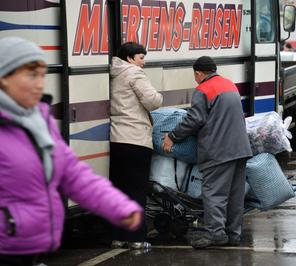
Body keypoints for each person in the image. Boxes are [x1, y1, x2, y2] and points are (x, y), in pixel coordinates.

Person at [0, 37, 144, 265]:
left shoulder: (39, 122)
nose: (40, 84)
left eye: (42, 75)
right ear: (4, 77)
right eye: (30, 74)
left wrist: (119, 207)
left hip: (28, 251)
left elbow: (75, 176)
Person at [162, 56, 252, 249]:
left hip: (219, 150)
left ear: (198, 73)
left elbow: (194, 119)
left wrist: (172, 136)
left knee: (214, 193)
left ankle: (215, 234)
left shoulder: (203, 89)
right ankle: (233, 234)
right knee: (235, 195)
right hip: (241, 149)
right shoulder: (229, 85)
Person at [109, 42, 163, 249]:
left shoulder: (113, 73)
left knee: (118, 190)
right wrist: (160, 96)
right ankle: (136, 238)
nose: (144, 62)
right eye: (141, 57)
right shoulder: (134, 74)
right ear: (130, 58)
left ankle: (117, 236)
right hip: (136, 139)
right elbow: (153, 101)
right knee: (136, 190)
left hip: (116, 139)